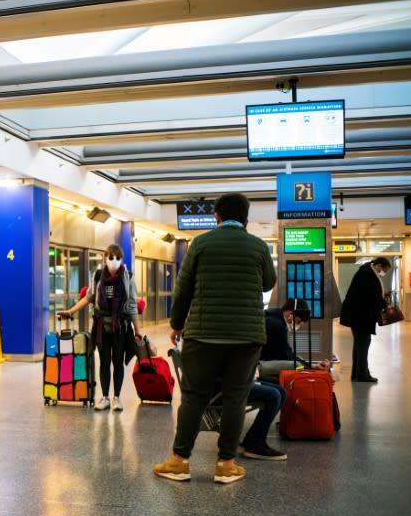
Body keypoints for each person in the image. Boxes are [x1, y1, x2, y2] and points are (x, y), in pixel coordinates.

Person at [152, 193, 276, 484]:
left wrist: (177, 324)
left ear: (216, 217)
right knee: (236, 398)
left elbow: (183, 289)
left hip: (203, 334)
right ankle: (226, 465)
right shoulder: (258, 247)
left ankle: (179, 462)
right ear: (246, 220)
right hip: (246, 337)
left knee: (194, 397)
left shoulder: (201, 243)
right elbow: (269, 281)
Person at [241, 299, 331, 461]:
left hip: (251, 368)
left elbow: (283, 353)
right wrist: (308, 365)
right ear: (290, 315)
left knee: (281, 391)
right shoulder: (276, 326)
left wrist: (308, 364)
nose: (297, 326)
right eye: (297, 322)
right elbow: (284, 355)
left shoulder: (270, 319)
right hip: (253, 369)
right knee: (289, 375)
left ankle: (254, 439)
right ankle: (255, 441)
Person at [59, 244, 142, 412]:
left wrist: (138, 331)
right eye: (111, 258)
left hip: (120, 327)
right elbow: (90, 297)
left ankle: (116, 398)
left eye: (118, 258)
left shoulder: (128, 276)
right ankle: (104, 398)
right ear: (105, 258)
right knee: (104, 361)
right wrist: (70, 310)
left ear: (122, 260)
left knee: (118, 362)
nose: (114, 261)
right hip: (101, 326)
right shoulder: (98, 276)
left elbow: (132, 306)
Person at [339, 257, 392, 383]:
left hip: (359, 315)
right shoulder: (367, 274)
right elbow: (371, 295)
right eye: (383, 270)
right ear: (378, 265)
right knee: (363, 343)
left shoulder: (366, 272)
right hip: (360, 315)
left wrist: (382, 299)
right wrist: (385, 305)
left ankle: (357, 373)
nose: (382, 273)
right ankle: (362, 374)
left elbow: (370, 293)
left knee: (359, 343)